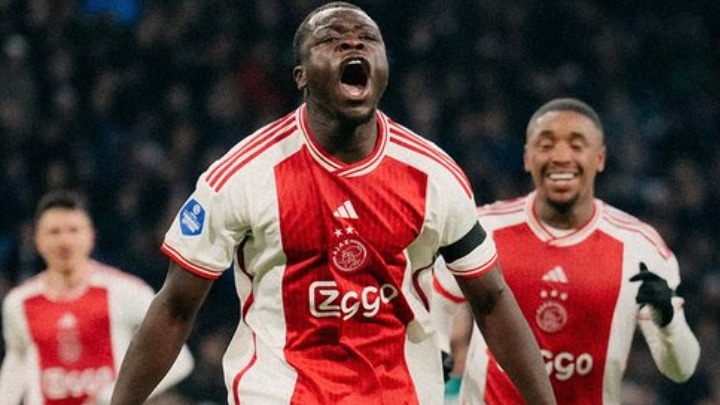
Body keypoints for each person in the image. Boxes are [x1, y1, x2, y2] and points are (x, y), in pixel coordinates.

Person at [109, 2, 557, 404]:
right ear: (301, 75)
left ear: (384, 67)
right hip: (279, 392)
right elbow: (176, 306)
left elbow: (491, 299)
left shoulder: (434, 176)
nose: (352, 43)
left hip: (398, 393)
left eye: (368, 38)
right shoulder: (243, 175)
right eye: (331, 39)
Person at [447, 97, 700, 404]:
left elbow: (681, 369)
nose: (561, 157)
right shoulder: (483, 229)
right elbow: (436, 319)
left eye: (577, 145)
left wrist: (667, 319)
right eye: (546, 145)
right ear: (527, 158)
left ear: (600, 158)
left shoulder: (640, 247)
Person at [0, 190, 194, 404]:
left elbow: (179, 360)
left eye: (73, 230)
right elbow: (15, 365)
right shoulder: (19, 302)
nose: (65, 241)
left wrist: (110, 397)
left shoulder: (126, 291)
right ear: (38, 240)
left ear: (90, 236)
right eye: (54, 232)